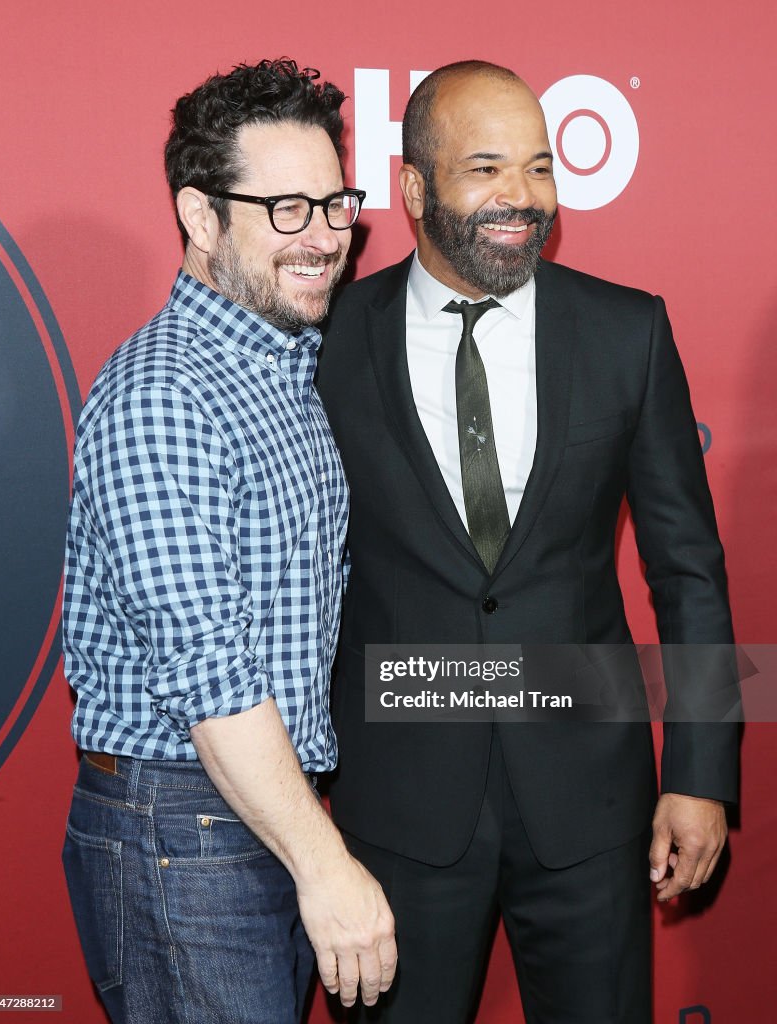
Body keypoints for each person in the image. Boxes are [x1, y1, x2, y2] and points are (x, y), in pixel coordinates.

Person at [316, 60, 736, 1023]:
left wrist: (702, 775)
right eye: (488, 168)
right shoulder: (333, 338)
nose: (523, 198)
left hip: (591, 805)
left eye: (541, 168)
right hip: (399, 808)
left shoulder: (627, 332)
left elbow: (687, 569)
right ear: (415, 188)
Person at [61, 59, 395, 1024]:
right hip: (183, 828)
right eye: (286, 209)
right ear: (201, 220)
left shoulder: (283, 363)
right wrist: (324, 865)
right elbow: (210, 675)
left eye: (335, 205)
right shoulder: (169, 393)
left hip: (249, 815)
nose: (325, 237)